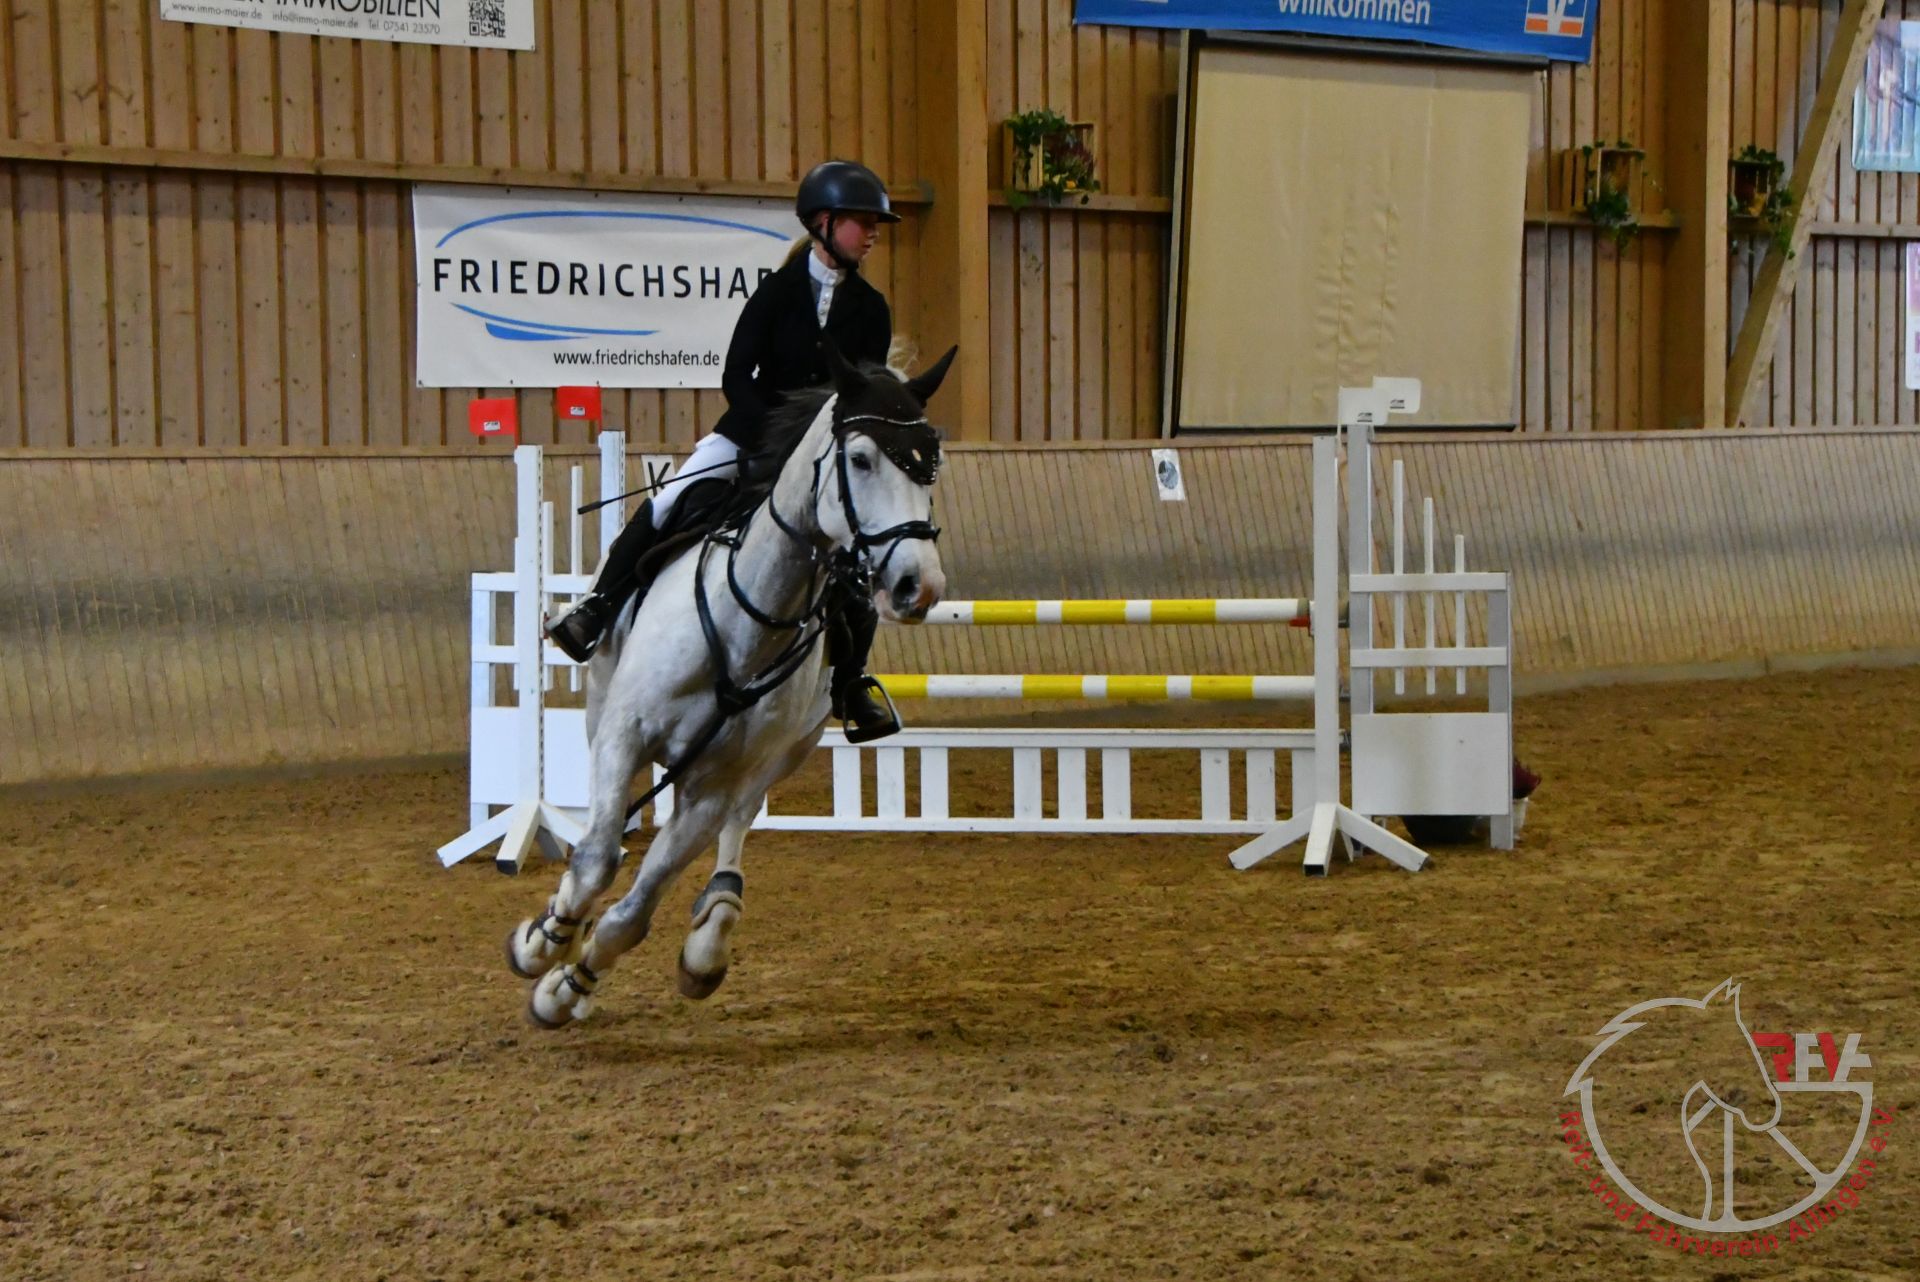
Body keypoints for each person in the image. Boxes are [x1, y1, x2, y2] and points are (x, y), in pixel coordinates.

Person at [544, 159, 905, 742]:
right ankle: (597, 608)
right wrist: (769, 435)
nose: (872, 235)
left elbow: (861, 395)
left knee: (854, 556)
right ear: (823, 222)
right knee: (669, 501)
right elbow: (736, 375)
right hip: (750, 433)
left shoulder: (871, 309)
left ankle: (851, 681)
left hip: (821, 457)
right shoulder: (775, 293)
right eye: (863, 222)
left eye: (874, 225)